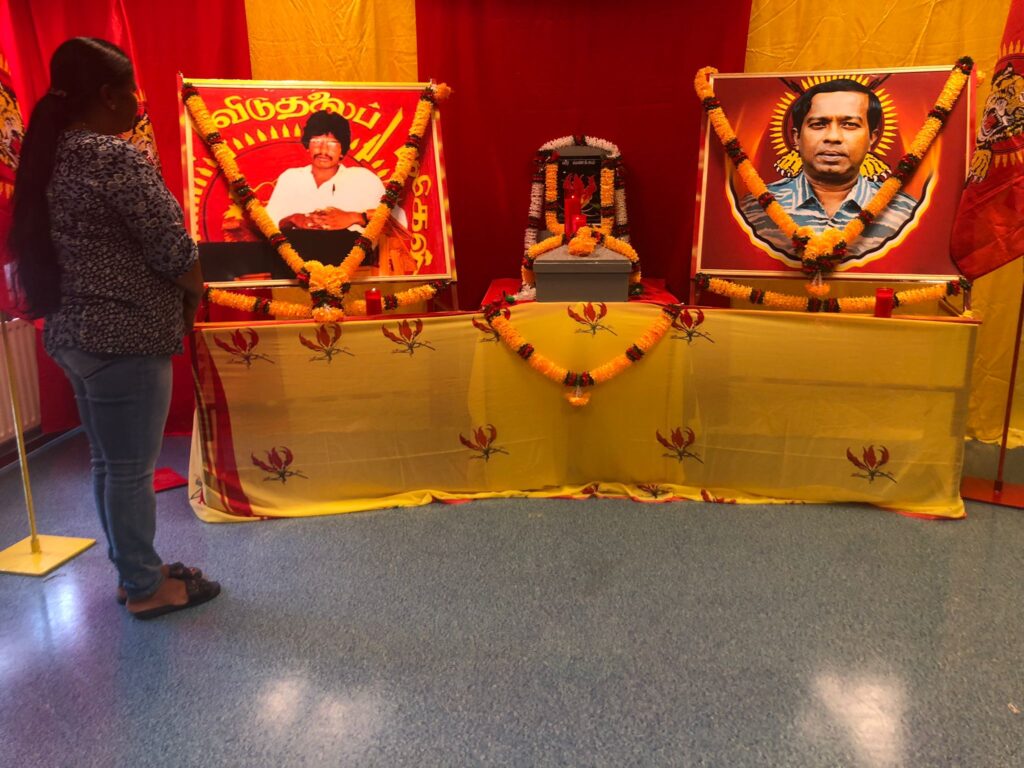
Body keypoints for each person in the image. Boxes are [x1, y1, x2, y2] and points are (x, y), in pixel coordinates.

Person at [8, 37, 220, 619]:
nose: (136, 104)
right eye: (131, 92)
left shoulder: (49, 153)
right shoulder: (112, 157)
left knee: (110, 464)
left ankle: (135, 571)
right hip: (124, 336)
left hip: (74, 335)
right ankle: (146, 588)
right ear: (107, 95)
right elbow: (172, 247)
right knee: (130, 470)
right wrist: (195, 292)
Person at [739, 78, 919, 258]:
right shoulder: (751, 210)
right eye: (818, 124)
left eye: (849, 125)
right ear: (796, 138)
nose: (833, 137)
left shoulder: (908, 213)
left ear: (872, 139)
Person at [264, 109, 406, 231]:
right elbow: (268, 225)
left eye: (332, 143)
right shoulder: (291, 178)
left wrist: (355, 217)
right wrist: (293, 219)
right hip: (294, 249)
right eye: (316, 142)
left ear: (342, 150)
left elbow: (398, 223)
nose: (323, 150)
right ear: (307, 146)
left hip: (352, 251)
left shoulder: (363, 178)